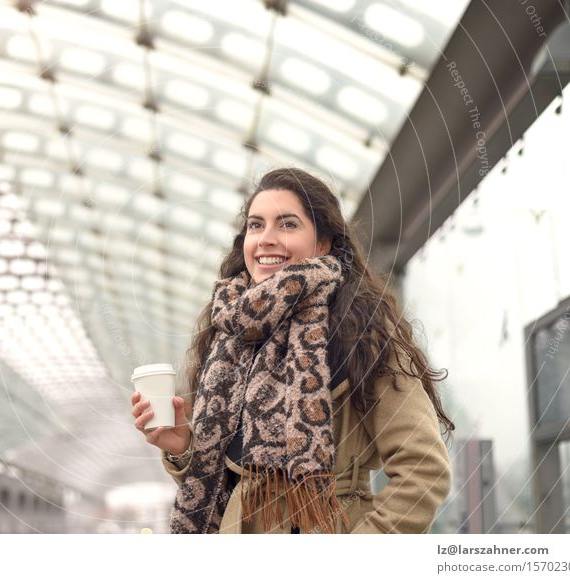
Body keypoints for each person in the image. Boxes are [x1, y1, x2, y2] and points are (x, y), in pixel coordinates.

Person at [131, 167, 454, 534]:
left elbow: (424, 469)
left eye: (287, 224)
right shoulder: (229, 335)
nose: (266, 238)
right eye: (256, 225)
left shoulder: (363, 331)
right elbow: (222, 489)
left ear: (323, 243)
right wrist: (184, 447)